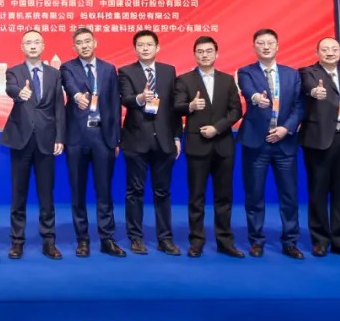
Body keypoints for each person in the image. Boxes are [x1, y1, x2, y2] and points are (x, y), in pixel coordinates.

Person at [172, 36, 244, 258]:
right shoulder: (184, 80)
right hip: (197, 145)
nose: (205, 55)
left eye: (209, 51)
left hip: (223, 146)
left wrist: (217, 128)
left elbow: (236, 111)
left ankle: (225, 241)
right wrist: (191, 106)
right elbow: (176, 107)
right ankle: (196, 241)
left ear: (216, 54)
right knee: (197, 197)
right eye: (200, 51)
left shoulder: (227, 80)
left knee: (224, 197)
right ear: (194, 55)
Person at [236, 28, 305, 259]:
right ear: (254, 47)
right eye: (261, 43)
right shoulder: (246, 72)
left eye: (270, 43)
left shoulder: (292, 74)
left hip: (284, 142)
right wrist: (257, 98)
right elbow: (249, 92)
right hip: (257, 142)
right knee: (254, 195)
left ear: (277, 46)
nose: (265, 47)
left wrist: (286, 129)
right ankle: (256, 241)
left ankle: (290, 241)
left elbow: (299, 106)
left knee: (289, 196)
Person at [60, 27, 124, 258]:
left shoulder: (108, 69)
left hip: (103, 138)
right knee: (78, 191)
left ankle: (107, 238)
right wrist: (77, 96)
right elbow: (69, 85)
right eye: (79, 42)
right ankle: (83, 239)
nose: (84, 45)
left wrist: (116, 138)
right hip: (77, 138)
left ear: (95, 42)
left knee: (104, 190)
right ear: (74, 47)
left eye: (87, 41)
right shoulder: (67, 67)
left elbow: (115, 105)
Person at [118, 29, 182, 255]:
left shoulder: (168, 71)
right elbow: (125, 99)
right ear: (135, 49)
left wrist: (176, 136)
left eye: (149, 45)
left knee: (162, 192)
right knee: (135, 191)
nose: (145, 48)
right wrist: (140, 98)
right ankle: (135, 238)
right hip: (136, 140)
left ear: (157, 47)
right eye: (140, 45)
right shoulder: (126, 71)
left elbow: (174, 108)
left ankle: (165, 239)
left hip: (164, 141)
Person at [2, 29, 65, 260]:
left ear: (43, 46)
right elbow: (10, 88)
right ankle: (17, 242)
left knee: (46, 194)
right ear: (22, 47)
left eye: (36, 42)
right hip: (21, 140)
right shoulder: (14, 72)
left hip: (47, 140)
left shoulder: (54, 73)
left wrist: (60, 137)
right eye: (28, 42)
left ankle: (49, 241)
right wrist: (20, 93)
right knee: (18, 193)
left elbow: (59, 107)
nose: (32, 46)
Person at [299, 37, 340, 258]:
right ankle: (320, 241)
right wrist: (314, 92)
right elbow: (308, 88)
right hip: (318, 141)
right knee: (318, 192)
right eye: (325, 49)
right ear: (317, 52)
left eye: (334, 49)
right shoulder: (308, 73)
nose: (330, 53)